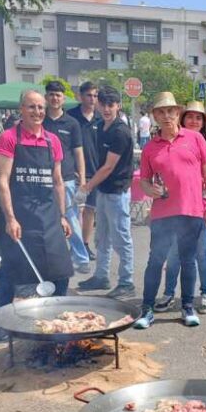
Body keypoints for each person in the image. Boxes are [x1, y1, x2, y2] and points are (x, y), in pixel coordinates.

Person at [133, 93, 206, 329]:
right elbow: (144, 181)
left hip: (192, 211)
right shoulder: (150, 147)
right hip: (163, 214)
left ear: (178, 113)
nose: (167, 116)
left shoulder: (195, 139)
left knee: (188, 261)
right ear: (155, 117)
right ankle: (147, 309)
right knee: (155, 260)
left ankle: (187, 307)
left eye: (171, 111)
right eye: (161, 112)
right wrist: (151, 189)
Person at [0, 90, 72, 310]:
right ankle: (1, 324)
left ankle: (55, 318)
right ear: (21, 109)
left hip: (48, 215)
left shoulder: (52, 141)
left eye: (40, 107)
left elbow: (58, 181)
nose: (37, 112)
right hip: (19, 214)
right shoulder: (9, 138)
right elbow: (2, 181)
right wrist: (10, 219)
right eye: (31, 107)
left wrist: (63, 216)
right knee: (11, 271)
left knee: (61, 269)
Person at [157, 101, 206, 314]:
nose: (194, 121)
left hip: (200, 209)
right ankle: (168, 293)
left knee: (201, 253)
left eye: (199, 118)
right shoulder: (172, 142)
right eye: (190, 117)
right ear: (182, 119)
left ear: (203, 123)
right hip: (176, 210)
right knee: (174, 254)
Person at [76, 86, 136, 298]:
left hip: (117, 192)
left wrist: (86, 187)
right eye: (104, 104)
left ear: (118, 106)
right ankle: (101, 276)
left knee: (121, 238)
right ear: (98, 105)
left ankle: (127, 281)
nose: (107, 109)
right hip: (103, 190)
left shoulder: (120, 131)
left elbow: (109, 166)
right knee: (102, 237)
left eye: (111, 105)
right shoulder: (102, 126)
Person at [42, 81, 90, 274]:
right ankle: (51, 257)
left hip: (68, 178)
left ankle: (81, 257)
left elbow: (78, 152)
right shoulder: (40, 121)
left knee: (70, 218)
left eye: (58, 95)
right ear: (46, 97)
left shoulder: (72, 123)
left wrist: (84, 181)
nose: (55, 98)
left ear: (63, 98)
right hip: (43, 177)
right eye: (51, 94)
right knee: (46, 219)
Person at [68, 81, 102, 259]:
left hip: (96, 173)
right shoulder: (71, 116)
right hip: (74, 173)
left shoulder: (101, 117)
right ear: (80, 96)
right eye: (89, 95)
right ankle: (73, 246)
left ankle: (85, 245)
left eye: (95, 95)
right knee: (74, 211)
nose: (92, 99)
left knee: (89, 210)